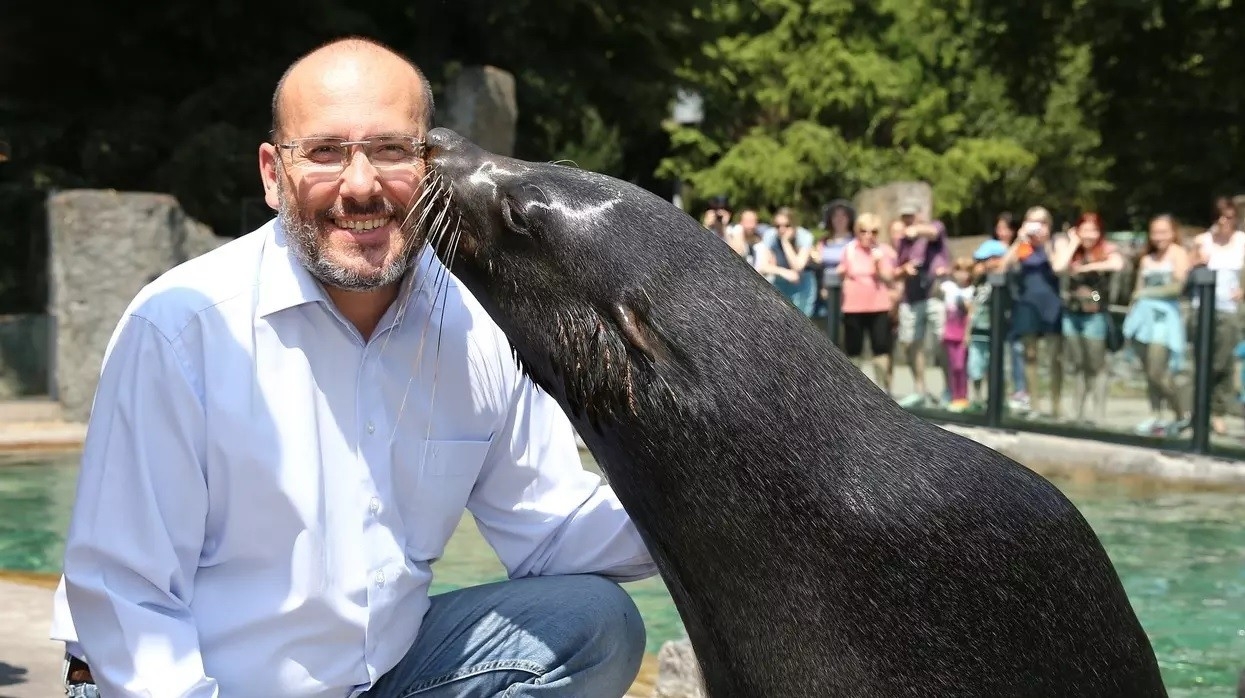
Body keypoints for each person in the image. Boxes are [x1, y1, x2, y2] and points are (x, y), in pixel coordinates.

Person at [49, 36, 655, 698]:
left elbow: (552, 526)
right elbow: (125, 600)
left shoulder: (476, 323)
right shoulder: (180, 328)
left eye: (392, 150)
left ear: (431, 168)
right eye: (325, 152)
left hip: (380, 676)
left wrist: (733, 511)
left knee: (593, 626)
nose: (361, 185)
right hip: (196, 681)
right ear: (272, 173)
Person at [1050, 212, 1125, 424]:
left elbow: (1117, 264)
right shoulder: (1072, 250)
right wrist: (1073, 242)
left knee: (1096, 365)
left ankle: (1098, 414)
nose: (1089, 235)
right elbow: (1058, 267)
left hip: (1095, 315)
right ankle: (1078, 413)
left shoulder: (1107, 249)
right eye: (1085, 229)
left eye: (1093, 230)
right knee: (1077, 364)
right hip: (1072, 314)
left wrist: (1087, 267)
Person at [1121, 214, 1189, 436]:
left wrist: (1146, 292)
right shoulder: (1147, 258)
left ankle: (1182, 414)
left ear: (1173, 232)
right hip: (1143, 319)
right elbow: (1136, 290)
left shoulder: (1178, 254)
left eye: (1163, 231)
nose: (1158, 236)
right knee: (1148, 373)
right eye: (1155, 232)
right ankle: (1155, 415)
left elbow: (1178, 287)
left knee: (1158, 371)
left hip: (1164, 318)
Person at [835, 212, 895, 391]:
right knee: (853, 349)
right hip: (854, 306)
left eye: (874, 232)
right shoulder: (849, 249)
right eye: (864, 231)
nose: (868, 236)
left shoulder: (882, 251)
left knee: (881, 348)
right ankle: (854, 390)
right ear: (856, 231)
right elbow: (842, 270)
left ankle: (883, 391)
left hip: (878, 305)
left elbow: (888, 278)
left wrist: (877, 265)